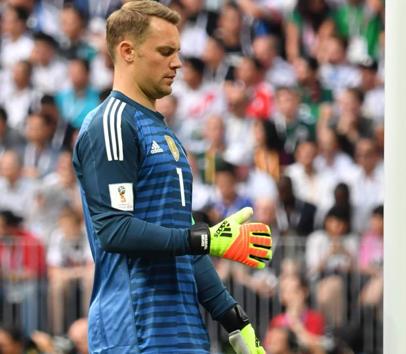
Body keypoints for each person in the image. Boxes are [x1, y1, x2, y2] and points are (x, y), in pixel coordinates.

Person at [71, 2, 272, 353]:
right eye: (165, 52)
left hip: (183, 331)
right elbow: (115, 229)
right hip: (135, 331)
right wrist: (205, 238)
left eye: (177, 52)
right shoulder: (112, 123)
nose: (177, 63)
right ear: (127, 52)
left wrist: (234, 319)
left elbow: (183, 236)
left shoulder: (164, 133)